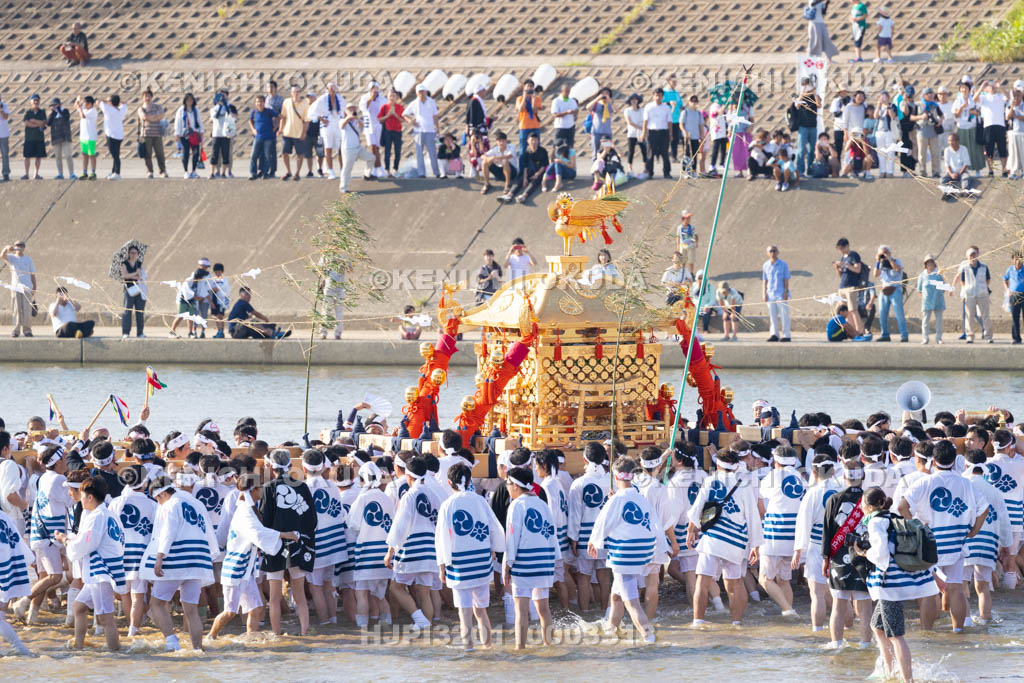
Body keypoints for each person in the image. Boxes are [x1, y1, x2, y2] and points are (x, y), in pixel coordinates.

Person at [209, 473, 297, 639]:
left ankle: (251, 640)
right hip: (235, 568)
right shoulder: (245, 512)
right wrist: (285, 535)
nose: (263, 490)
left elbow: (259, 533)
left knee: (256, 608)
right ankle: (210, 637)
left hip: (245, 569)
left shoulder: (248, 509)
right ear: (254, 490)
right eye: (261, 487)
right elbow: (258, 533)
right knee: (229, 612)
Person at [589, 457, 662, 642]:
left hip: (625, 555)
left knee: (632, 602)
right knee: (616, 596)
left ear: (615, 476)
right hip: (643, 552)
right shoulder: (639, 497)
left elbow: (603, 522)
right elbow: (654, 523)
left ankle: (648, 636)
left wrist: (593, 541)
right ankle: (611, 630)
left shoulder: (617, 499)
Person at [686, 450, 762, 626]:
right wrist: (755, 545)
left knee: (702, 583)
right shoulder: (744, 485)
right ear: (736, 467)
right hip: (735, 542)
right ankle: (736, 623)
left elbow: (698, 508)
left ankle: (698, 622)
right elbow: (752, 516)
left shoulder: (710, 481)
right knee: (734, 585)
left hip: (712, 539)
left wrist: (691, 529)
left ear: (718, 465)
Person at [141, 476, 217, 651]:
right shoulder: (197, 504)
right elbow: (208, 532)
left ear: (162, 494)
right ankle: (197, 648)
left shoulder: (171, 504)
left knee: (156, 603)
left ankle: (172, 642)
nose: (159, 503)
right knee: (191, 611)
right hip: (198, 561)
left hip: (176, 560)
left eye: (157, 499)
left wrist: (160, 556)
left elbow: (169, 531)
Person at [435, 463, 504, 651]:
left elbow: (442, 537)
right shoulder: (480, 501)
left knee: (464, 614)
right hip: (481, 562)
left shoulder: (448, 504)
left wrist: (442, 565)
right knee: (481, 611)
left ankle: (469, 650)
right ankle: (488, 647)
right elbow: (494, 527)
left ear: (449, 482)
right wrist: (494, 549)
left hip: (459, 565)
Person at [56, 476, 124, 651]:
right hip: (103, 570)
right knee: (78, 607)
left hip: (101, 572)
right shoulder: (108, 514)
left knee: (105, 618)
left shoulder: (98, 516)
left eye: (82, 494)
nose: (81, 498)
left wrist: (66, 541)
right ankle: (78, 647)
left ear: (90, 497)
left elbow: (86, 543)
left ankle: (116, 655)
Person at [258, 449, 317, 635]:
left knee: (274, 597)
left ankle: (277, 634)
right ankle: (305, 632)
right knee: (299, 595)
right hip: (299, 543)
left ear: (270, 466)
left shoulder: (268, 488)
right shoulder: (302, 486)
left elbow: (264, 521)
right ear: (291, 465)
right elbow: (312, 520)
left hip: (274, 545)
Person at [503, 466, 556, 649]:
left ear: (516, 486)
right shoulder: (542, 503)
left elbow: (511, 539)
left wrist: (507, 567)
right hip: (544, 562)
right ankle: (549, 644)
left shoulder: (516, 505)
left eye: (508, 483)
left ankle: (520, 648)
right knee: (544, 609)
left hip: (524, 564)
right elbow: (551, 533)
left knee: (521, 610)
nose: (507, 486)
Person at [384, 456, 441, 630]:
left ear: (409, 476)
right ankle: (428, 627)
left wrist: (390, 551)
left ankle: (420, 620)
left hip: (412, 549)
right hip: (430, 548)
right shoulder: (434, 494)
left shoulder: (409, 496)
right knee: (424, 593)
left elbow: (400, 525)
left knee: (396, 588)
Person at [346, 461, 396, 629]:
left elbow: (353, 525)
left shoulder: (363, 498)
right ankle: (387, 626)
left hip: (366, 552)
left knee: (362, 594)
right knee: (381, 596)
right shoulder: (387, 498)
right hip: (384, 554)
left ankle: (363, 630)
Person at [404, 84, 440, 178]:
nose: (422, 93)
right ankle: (421, 173)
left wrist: (437, 127)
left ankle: (436, 172)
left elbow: (435, 115)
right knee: (419, 152)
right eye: (420, 92)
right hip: (418, 130)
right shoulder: (414, 103)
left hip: (430, 130)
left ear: (426, 92)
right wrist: (411, 121)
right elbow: (404, 114)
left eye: (423, 91)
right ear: (417, 93)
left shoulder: (431, 101)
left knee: (432, 152)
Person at [957, 247, 992, 343]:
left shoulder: (984, 266)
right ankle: (970, 336)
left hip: (982, 294)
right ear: (967, 257)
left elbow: (988, 279)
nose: (973, 257)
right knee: (969, 316)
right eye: (970, 255)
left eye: (974, 254)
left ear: (977, 255)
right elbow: (963, 282)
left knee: (985, 316)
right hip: (970, 295)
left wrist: (982, 288)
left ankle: (988, 336)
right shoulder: (965, 268)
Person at [311, 82, 346, 179]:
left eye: (333, 88)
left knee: (341, 149)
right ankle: (330, 170)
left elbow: (345, 111)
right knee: (328, 148)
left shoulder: (340, 99)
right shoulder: (322, 99)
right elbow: (313, 111)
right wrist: (322, 119)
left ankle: (343, 170)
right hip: (327, 126)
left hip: (338, 125)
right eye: (330, 88)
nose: (332, 90)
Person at [873, 245, 908, 343]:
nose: (883, 255)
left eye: (885, 252)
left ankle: (904, 335)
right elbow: (875, 274)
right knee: (882, 313)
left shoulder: (897, 261)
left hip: (895, 289)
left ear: (889, 252)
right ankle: (885, 335)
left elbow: (897, 269)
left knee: (899, 313)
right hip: (884, 290)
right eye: (882, 253)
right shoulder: (880, 263)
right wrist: (878, 261)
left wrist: (889, 258)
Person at [2, 241, 36, 337]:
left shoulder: (28, 260)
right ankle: (16, 330)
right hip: (16, 287)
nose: (19, 247)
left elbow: (33, 275)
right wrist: (6, 248)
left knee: (27, 310)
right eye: (17, 245)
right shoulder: (12, 258)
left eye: (21, 245)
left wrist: (34, 287)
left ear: (24, 247)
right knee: (16, 309)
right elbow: (2, 256)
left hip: (27, 288)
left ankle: (27, 330)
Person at [339, 103, 375, 193]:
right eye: (349, 109)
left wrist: (356, 118)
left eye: (353, 109)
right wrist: (348, 117)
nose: (352, 110)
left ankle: (367, 175)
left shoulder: (357, 121)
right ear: (345, 111)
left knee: (371, 158)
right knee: (347, 168)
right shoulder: (342, 120)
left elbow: (362, 126)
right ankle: (343, 188)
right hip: (348, 149)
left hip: (358, 148)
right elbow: (342, 126)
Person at [953, 78, 985, 174]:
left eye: (965, 88)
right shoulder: (958, 101)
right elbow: (956, 115)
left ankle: (977, 170)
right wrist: (962, 107)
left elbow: (979, 113)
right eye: (961, 88)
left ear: (969, 89)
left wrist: (974, 112)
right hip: (962, 127)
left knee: (975, 149)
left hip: (973, 127)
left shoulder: (973, 100)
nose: (963, 90)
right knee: (963, 149)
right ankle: (964, 170)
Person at [278, 85, 309, 181]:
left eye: (298, 91)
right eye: (294, 92)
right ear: (291, 93)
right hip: (287, 132)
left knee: (300, 154)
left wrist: (304, 133)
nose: (296, 94)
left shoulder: (305, 103)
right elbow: (283, 117)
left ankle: (297, 173)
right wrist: (280, 128)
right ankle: (288, 171)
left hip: (298, 133)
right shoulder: (286, 102)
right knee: (284, 153)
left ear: (301, 92)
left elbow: (306, 121)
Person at [977, 80, 1008, 177]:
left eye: (993, 85)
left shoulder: (1000, 96)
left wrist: (1000, 86)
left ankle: (1004, 170)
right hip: (988, 126)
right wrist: (982, 87)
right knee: (989, 149)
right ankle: (991, 170)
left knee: (1002, 148)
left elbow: (1009, 96)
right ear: (986, 88)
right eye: (989, 86)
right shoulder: (983, 97)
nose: (992, 87)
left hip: (1000, 125)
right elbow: (974, 98)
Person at [916, 253, 948, 345]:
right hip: (927, 301)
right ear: (925, 265)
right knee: (925, 321)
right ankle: (925, 338)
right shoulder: (922, 275)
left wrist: (938, 293)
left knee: (939, 321)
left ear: (934, 264)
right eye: (928, 263)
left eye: (931, 263)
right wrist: (925, 297)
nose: (930, 265)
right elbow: (919, 290)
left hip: (938, 300)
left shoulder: (939, 274)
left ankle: (939, 338)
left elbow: (943, 287)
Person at [515, 79, 543, 178]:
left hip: (535, 126)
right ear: (524, 88)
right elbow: (521, 109)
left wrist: (533, 99)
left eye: (531, 86)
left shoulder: (537, 99)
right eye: (527, 86)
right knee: (523, 150)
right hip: (524, 127)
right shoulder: (519, 98)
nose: (529, 88)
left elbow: (535, 110)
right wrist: (524, 97)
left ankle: (536, 170)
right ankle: (522, 171)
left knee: (536, 149)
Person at [642, 87, 672, 179]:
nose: (657, 97)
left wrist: (670, 134)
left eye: (659, 95)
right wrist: (644, 133)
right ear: (653, 96)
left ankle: (666, 172)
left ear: (662, 96)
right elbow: (645, 121)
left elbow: (669, 122)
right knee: (650, 153)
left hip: (664, 132)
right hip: (652, 132)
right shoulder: (648, 106)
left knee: (665, 153)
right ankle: (649, 172)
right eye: (656, 95)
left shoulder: (666, 107)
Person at [358, 81, 386, 179]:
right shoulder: (365, 98)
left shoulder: (382, 98)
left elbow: (384, 109)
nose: (375, 91)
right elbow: (364, 108)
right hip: (368, 126)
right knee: (372, 147)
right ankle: (376, 168)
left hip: (379, 125)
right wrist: (371, 98)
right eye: (372, 89)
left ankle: (378, 167)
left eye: (376, 89)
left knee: (377, 148)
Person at [763, 245, 791, 342]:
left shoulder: (783, 264)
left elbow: (786, 279)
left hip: (781, 293)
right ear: (767, 253)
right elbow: (765, 280)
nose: (773, 253)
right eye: (771, 251)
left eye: (775, 251)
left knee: (784, 315)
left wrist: (786, 292)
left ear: (778, 252)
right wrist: (764, 293)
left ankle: (786, 335)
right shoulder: (766, 265)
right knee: (772, 316)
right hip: (770, 293)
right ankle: (774, 334)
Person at [137, 89, 168, 178]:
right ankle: (149, 171)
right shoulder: (141, 108)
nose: (147, 98)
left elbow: (161, 115)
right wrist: (155, 117)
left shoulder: (158, 106)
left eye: (149, 96)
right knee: (148, 154)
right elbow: (143, 117)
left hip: (158, 133)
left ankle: (163, 171)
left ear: (152, 97)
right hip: (146, 134)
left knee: (160, 153)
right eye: (145, 96)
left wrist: (150, 118)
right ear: (142, 98)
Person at [793, 78, 821, 176]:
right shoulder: (799, 95)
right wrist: (802, 93)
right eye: (804, 84)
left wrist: (814, 93)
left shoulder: (815, 95)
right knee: (801, 149)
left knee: (811, 150)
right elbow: (796, 105)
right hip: (803, 126)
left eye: (808, 84)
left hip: (813, 126)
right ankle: (800, 171)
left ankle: (810, 170)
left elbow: (819, 105)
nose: (807, 86)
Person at [248, 94, 278, 180]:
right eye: (257, 102)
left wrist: (275, 127)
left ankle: (265, 173)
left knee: (267, 156)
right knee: (254, 155)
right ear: (255, 103)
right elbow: (250, 120)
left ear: (264, 102)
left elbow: (279, 117)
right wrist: (253, 129)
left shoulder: (268, 111)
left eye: (261, 102)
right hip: (258, 137)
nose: (259, 103)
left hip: (268, 137)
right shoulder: (254, 112)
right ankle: (253, 173)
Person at [119, 244, 146, 339]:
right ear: (129, 254)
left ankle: (140, 332)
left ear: (138, 254)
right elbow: (124, 276)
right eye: (131, 253)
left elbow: (142, 276)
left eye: (135, 253)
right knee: (127, 311)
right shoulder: (124, 263)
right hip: (129, 289)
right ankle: (126, 332)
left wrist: (135, 276)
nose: (133, 255)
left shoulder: (139, 264)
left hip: (139, 289)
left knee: (140, 311)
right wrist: (135, 274)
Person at [376, 88, 403, 179]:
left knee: (398, 151)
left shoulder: (400, 107)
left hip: (397, 131)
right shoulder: (384, 107)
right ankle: (387, 170)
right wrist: (387, 115)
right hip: (387, 131)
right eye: (390, 95)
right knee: (387, 152)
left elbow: (402, 120)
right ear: (387, 97)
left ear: (396, 97)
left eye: (394, 96)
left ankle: (395, 169)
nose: (392, 97)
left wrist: (395, 114)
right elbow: (379, 119)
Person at [480, 130, 516, 196]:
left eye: (503, 140)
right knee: (484, 162)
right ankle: (487, 184)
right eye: (499, 141)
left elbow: (509, 156)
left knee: (505, 160)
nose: (501, 143)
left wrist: (494, 158)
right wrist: (488, 158)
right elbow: (482, 156)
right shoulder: (495, 149)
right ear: (497, 142)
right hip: (500, 172)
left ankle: (508, 184)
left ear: (506, 141)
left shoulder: (512, 146)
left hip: (512, 173)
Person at [515, 131, 548, 203]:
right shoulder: (526, 151)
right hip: (531, 170)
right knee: (520, 180)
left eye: (535, 140)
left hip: (540, 171)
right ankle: (510, 194)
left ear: (538, 141)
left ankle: (524, 196)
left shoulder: (543, 151)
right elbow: (525, 166)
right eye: (532, 140)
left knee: (534, 182)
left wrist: (537, 174)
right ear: (528, 141)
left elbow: (544, 165)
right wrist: (524, 178)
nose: (533, 142)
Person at [99, 93, 126, 179]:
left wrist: (106, 101)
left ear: (110, 102)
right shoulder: (122, 109)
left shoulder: (108, 109)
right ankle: (113, 172)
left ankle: (117, 173)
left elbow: (98, 101)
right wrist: (112, 101)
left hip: (111, 135)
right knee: (116, 154)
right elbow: (124, 104)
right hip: (119, 135)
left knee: (115, 155)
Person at [47, 97, 74, 180]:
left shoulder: (65, 111)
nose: (53, 107)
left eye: (55, 105)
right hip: (56, 137)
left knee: (68, 155)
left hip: (65, 137)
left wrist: (58, 110)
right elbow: (48, 123)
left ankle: (71, 174)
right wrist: (53, 112)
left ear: (59, 104)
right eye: (52, 105)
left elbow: (66, 117)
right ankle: (60, 173)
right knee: (58, 157)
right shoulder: (52, 114)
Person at [208, 91, 234, 179]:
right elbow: (216, 116)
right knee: (214, 154)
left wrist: (225, 105)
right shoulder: (213, 109)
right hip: (216, 134)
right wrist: (219, 106)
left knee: (225, 154)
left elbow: (230, 115)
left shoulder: (227, 108)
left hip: (225, 134)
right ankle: (212, 172)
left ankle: (223, 173)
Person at [22, 93, 47, 180]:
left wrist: (34, 121)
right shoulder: (28, 112)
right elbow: (26, 123)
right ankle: (26, 174)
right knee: (27, 156)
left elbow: (44, 123)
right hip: (29, 138)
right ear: (31, 102)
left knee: (38, 157)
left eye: (37, 100)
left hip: (39, 138)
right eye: (34, 100)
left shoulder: (42, 112)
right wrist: (37, 124)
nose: (36, 102)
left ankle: (36, 174)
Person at [75, 95, 99, 180]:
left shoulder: (93, 110)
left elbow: (82, 116)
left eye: (84, 103)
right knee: (84, 155)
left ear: (90, 104)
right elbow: (76, 106)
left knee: (91, 155)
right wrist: (77, 100)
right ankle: (84, 172)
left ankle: (93, 172)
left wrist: (80, 109)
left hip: (90, 137)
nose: (83, 104)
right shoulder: (85, 109)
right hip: (83, 137)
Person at [623, 93, 647, 175]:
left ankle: (645, 168)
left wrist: (643, 129)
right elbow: (629, 122)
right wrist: (641, 127)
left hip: (641, 133)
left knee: (644, 150)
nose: (634, 101)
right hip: (632, 133)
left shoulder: (642, 110)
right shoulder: (627, 110)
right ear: (629, 101)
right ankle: (630, 168)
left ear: (638, 101)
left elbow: (645, 120)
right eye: (632, 99)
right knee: (631, 151)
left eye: (635, 99)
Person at [550, 82, 578, 150]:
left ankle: (569, 160)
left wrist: (574, 113)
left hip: (570, 126)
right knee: (557, 145)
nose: (568, 93)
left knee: (570, 146)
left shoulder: (572, 101)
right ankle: (553, 159)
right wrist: (566, 113)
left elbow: (576, 110)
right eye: (566, 91)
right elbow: (554, 114)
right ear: (561, 91)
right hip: (560, 127)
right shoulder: (556, 101)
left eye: (569, 91)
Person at [588, 87, 614, 159]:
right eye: (603, 93)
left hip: (607, 132)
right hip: (596, 132)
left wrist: (610, 102)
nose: (604, 95)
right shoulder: (596, 104)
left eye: (607, 93)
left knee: (607, 151)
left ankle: (605, 168)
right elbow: (588, 107)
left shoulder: (609, 104)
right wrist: (597, 99)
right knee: (596, 152)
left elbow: (616, 110)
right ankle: (595, 167)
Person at [1005, 250, 1024, 344]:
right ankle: (1016, 338)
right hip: (1014, 295)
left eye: (1019, 259)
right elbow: (1005, 279)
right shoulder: (1010, 269)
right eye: (1016, 259)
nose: (1018, 261)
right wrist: (1007, 289)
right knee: (1015, 317)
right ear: (1013, 260)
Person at [0, 91, 10, 182]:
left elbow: (6, 117)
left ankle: (6, 173)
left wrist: (1, 110)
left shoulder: (4, 105)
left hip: (3, 134)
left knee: (5, 155)